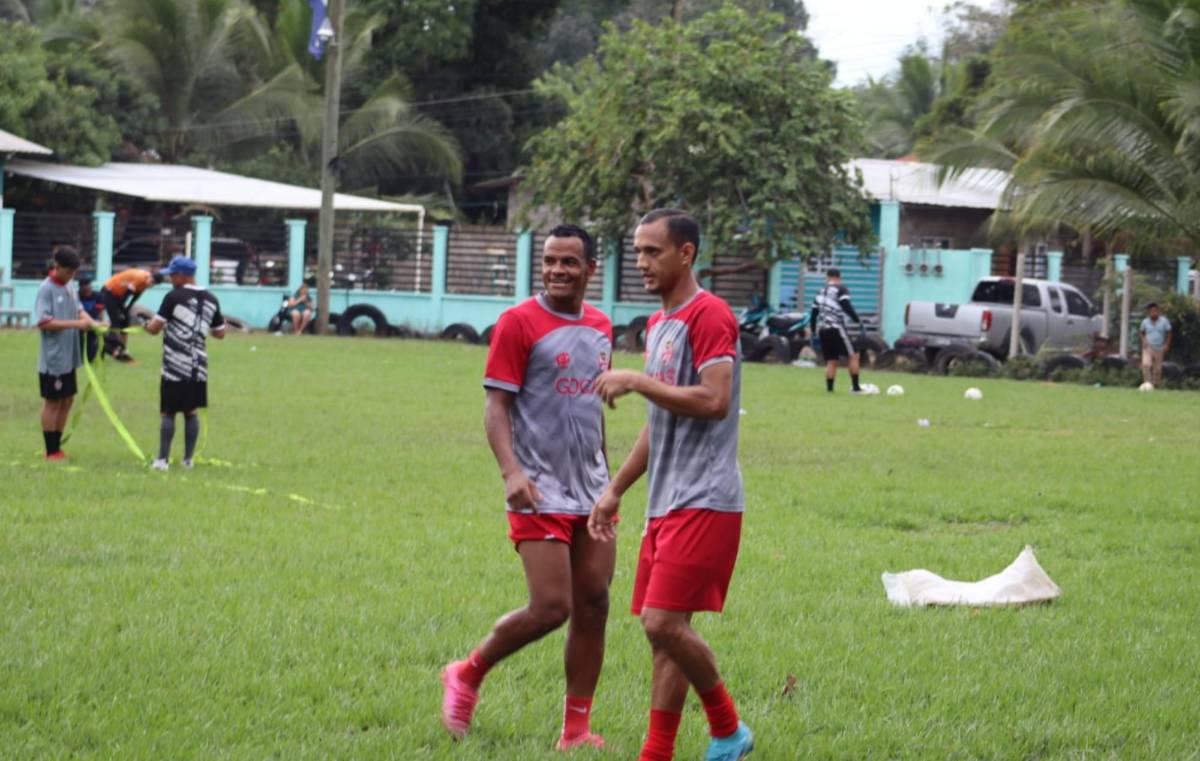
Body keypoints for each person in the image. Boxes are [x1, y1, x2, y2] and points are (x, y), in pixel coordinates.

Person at [440, 224, 615, 750]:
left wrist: (607, 479)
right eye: (549, 261)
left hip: (593, 491)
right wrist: (512, 473)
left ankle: (576, 731)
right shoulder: (517, 322)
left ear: (590, 269)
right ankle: (467, 673)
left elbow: (590, 410)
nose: (557, 270)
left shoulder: (603, 325)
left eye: (568, 262)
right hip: (537, 488)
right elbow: (496, 407)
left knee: (594, 603)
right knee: (551, 607)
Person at [590, 209, 754, 761]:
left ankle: (728, 729)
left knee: (662, 623)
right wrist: (615, 490)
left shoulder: (711, 316)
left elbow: (714, 400)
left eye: (652, 251)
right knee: (662, 634)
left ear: (686, 253)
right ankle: (656, 754)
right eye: (637, 251)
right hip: (665, 502)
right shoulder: (660, 324)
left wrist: (636, 379)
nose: (640, 262)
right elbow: (659, 425)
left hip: (706, 498)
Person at [144, 257, 225, 471]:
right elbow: (220, 333)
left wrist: (146, 325)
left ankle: (162, 460)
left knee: (168, 412)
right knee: (191, 411)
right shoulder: (211, 298)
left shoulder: (173, 297)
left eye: (172, 274)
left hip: (174, 364)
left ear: (181, 275)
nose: (170, 278)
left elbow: (154, 328)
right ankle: (188, 460)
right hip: (199, 365)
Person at [36, 246, 97, 460]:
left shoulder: (70, 285)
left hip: (70, 356)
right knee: (53, 401)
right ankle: (50, 450)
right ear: (57, 267)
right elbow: (44, 322)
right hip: (54, 358)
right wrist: (77, 324)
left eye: (74, 272)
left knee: (68, 399)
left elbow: (78, 308)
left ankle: (58, 447)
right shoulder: (46, 289)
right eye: (68, 271)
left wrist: (91, 321)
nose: (72, 276)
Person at [810, 268, 865, 393]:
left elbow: (813, 315)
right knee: (854, 355)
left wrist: (813, 332)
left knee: (832, 360)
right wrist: (857, 320)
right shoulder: (841, 289)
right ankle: (856, 388)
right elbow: (846, 305)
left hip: (823, 330)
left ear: (827, 277)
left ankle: (830, 390)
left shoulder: (819, 292)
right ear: (839, 277)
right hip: (836, 328)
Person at [99, 267, 162, 362]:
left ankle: (122, 348)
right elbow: (127, 294)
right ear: (150, 276)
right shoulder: (140, 277)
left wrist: (126, 310)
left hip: (119, 296)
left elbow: (135, 297)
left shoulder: (146, 283)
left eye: (153, 284)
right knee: (116, 322)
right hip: (109, 292)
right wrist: (122, 310)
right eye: (151, 281)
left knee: (125, 322)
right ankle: (108, 348)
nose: (150, 284)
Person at [1139, 301, 1172, 387]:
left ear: (1158, 311)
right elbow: (1142, 332)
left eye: (1155, 311)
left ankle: (1155, 385)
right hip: (1148, 347)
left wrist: (1167, 344)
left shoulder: (1164, 321)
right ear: (1149, 313)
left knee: (1157, 369)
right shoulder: (1145, 322)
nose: (1154, 313)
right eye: (1151, 312)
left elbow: (1169, 332)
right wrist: (1143, 341)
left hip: (1159, 347)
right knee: (1146, 364)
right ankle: (1147, 384)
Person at [77, 277, 105, 364]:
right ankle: (79, 358)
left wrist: (100, 324)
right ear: (80, 288)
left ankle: (94, 357)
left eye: (88, 287)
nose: (87, 291)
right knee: (79, 340)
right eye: (84, 289)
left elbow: (100, 312)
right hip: (80, 323)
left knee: (93, 341)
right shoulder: (76, 296)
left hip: (94, 323)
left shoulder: (98, 296)